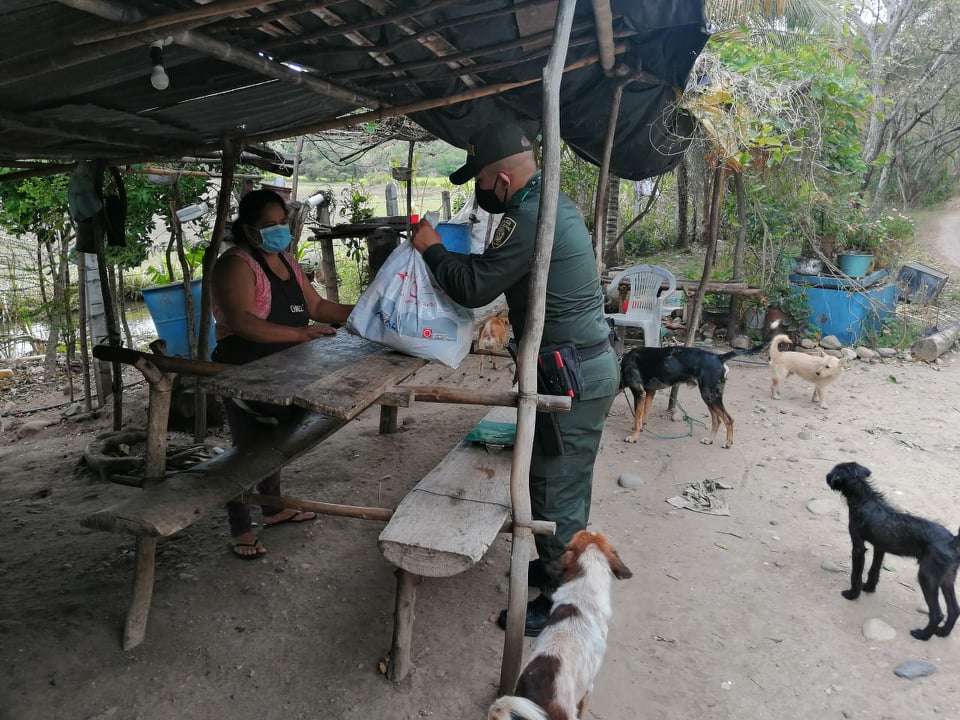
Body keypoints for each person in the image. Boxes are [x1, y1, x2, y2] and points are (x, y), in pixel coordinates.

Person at [411, 123, 619, 635]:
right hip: (578, 364)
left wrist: (431, 247)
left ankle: (561, 600)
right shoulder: (546, 201)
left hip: (569, 373)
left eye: (480, 182)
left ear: (501, 180)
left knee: (553, 485)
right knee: (559, 477)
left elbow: (474, 287)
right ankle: (556, 560)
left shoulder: (526, 216)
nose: (479, 194)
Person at [210, 189, 354, 559]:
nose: (278, 230)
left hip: (287, 368)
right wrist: (301, 334)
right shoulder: (236, 265)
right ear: (248, 229)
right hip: (245, 370)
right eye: (268, 225)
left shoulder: (287, 261)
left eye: (281, 223)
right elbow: (242, 322)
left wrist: (367, 310)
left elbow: (319, 306)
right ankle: (240, 527)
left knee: (275, 440)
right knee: (247, 449)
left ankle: (272, 509)